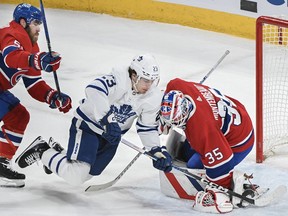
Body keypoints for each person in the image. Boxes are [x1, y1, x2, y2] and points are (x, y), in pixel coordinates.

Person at [15, 53, 173, 186]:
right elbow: (94, 89)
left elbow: (147, 127)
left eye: (152, 80)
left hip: (111, 137)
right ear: (134, 75)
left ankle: (59, 153)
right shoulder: (118, 79)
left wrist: (156, 151)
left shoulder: (152, 96)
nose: (149, 85)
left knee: (89, 174)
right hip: (88, 127)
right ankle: (42, 150)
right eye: (146, 80)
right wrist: (108, 119)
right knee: (76, 175)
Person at [158, 78, 256, 213]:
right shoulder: (176, 86)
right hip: (237, 113)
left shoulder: (203, 130)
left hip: (240, 141)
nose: (174, 124)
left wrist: (220, 187)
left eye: (176, 121)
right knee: (188, 150)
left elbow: (222, 162)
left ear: (185, 110)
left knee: (193, 164)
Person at [0, 3, 72, 188]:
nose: (39, 28)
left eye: (41, 22)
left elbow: (33, 84)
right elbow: (11, 57)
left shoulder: (31, 46)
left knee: (19, 116)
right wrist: (37, 60)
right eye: (36, 22)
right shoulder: (11, 34)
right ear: (23, 22)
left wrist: (53, 96)